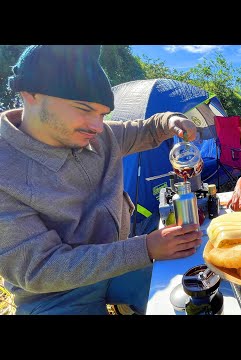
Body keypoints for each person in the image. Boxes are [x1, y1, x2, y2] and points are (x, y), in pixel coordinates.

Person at [0, 45, 203, 315]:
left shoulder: (101, 135)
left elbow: (146, 129)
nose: (97, 127)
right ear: (30, 95)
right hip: (54, 294)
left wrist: (171, 120)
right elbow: (40, 269)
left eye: (103, 114)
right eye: (84, 109)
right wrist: (145, 247)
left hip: (118, 262)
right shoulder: (5, 171)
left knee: (188, 299)